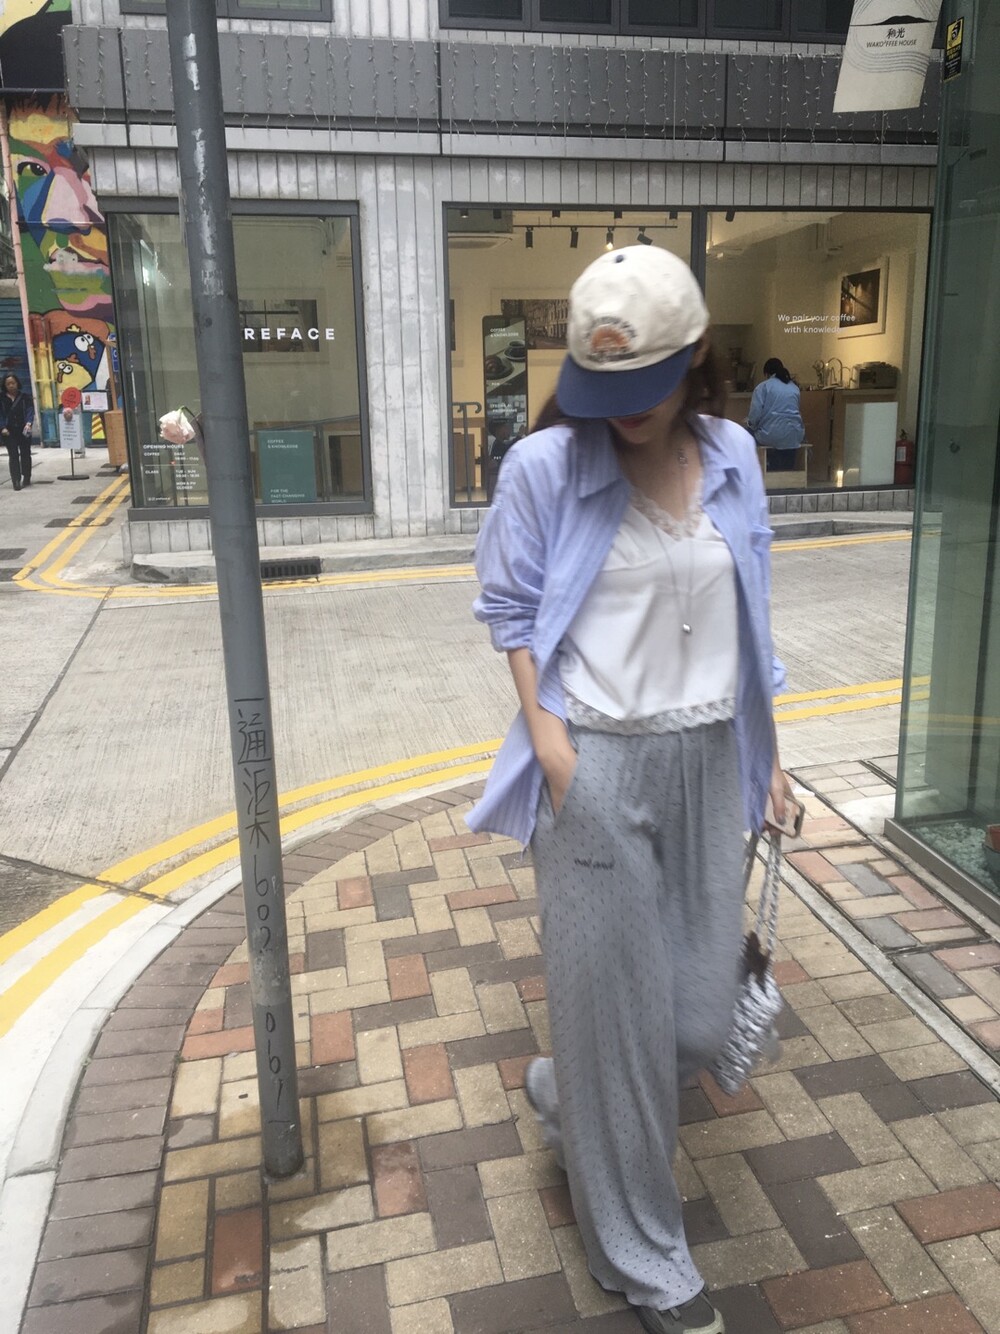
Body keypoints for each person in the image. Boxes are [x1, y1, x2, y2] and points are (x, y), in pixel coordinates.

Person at [467, 246, 788, 1334]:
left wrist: (771, 756)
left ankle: (573, 1094)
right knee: (620, 1032)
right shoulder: (545, 467)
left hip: (708, 760)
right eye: (604, 384)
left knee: (694, 1021)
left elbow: (753, 608)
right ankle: (649, 1260)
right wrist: (551, 746)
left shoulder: (734, 454)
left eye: (645, 381)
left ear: (695, 356)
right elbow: (510, 612)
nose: (625, 409)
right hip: (594, 760)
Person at [746, 356, 805, 471]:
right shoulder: (794, 388)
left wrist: (750, 425)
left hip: (770, 435)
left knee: (747, 434)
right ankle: (788, 471)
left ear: (766, 374)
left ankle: (760, 470)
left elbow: (754, 416)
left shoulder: (763, 387)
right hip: (795, 435)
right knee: (787, 437)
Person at [1, 374, 35, 490]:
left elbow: (30, 410)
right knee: (13, 455)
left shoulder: (25, 397)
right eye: (8, 384)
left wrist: (29, 423)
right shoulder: (1, 398)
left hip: (24, 429)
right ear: (5, 385)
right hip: (9, 431)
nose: (11, 386)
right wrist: (2, 427)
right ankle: (16, 480)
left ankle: (27, 476)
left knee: (25, 453)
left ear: (17, 383)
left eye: (13, 383)